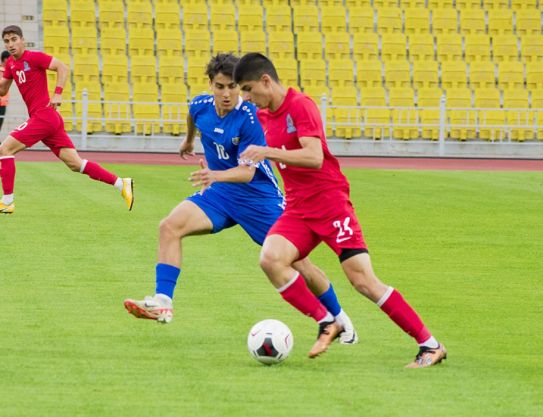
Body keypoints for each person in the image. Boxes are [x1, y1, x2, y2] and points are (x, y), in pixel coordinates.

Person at [124, 53, 358, 352]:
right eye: (220, 86)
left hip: (259, 197)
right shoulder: (199, 106)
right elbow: (193, 118)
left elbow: (247, 173)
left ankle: (339, 318)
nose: (226, 94)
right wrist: (188, 141)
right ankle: (163, 303)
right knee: (169, 227)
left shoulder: (250, 118)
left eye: (233, 87)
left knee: (299, 263)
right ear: (211, 85)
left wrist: (215, 175)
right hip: (221, 193)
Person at [234, 52, 447, 368]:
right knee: (271, 259)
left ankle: (429, 345)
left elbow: (314, 157)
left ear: (266, 80)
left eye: (249, 90)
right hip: (298, 209)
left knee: (363, 281)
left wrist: (267, 151)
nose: (248, 99)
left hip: (330, 204)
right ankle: (327, 321)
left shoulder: (301, 105)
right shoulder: (264, 116)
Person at [0, 25, 133, 214]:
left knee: (5, 149)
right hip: (48, 119)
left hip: (44, 116)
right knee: (75, 164)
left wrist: (58, 94)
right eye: (7, 41)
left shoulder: (34, 57)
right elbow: (3, 90)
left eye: (14, 39)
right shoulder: (11, 65)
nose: (11, 44)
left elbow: (62, 66)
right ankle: (122, 184)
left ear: (22, 40)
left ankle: (7, 201)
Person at [0, 50, 10, 132]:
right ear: (4, 59)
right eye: (9, 59)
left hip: (3, 103)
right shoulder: (1, 71)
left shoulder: (8, 71)